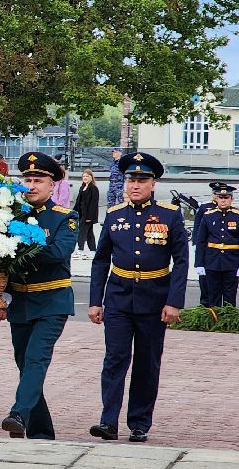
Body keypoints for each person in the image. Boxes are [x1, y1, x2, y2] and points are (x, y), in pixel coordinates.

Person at [88, 151, 188, 443]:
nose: (135, 185)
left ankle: (139, 422)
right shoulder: (114, 214)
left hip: (154, 299)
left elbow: (181, 260)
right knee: (115, 359)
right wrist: (96, 300)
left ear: (153, 183)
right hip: (119, 297)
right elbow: (100, 259)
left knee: (147, 362)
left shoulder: (170, 215)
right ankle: (108, 421)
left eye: (142, 180)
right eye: (132, 179)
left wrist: (174, 301)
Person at [1, 152, 78, 440]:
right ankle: (41, 430)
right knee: (24, 363)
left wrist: (18, 247)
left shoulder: (65, 217)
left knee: (36, 359)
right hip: (19, 302)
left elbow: (58, 253)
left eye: (38, 180)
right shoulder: (9, 216)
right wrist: (2, 296)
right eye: (27, 179)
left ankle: (19, 412)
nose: (31, 185)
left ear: (52, 185)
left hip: (52, 301)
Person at [194, 181, 237, 308]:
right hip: (212, 261)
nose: (223, 200)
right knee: (213, 295)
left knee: (230, 295)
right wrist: (199, 264)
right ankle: (214, 321)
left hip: (232, 261)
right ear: (216, 198)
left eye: (226, 197)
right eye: (220, 197)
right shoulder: (208, 216)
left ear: (231, 199)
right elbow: (201, 241)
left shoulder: (237, 216)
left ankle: (228, 322)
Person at [75, 169, 100, 259]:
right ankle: (93, 251)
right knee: (89, 234)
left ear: (91, 177)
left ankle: (80, 249)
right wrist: (74, 212)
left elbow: (93, 204)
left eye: (87, 176)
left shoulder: (93, 188)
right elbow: (78, 201)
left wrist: (89, 217)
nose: (85, 178)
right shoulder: (82, 187)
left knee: (82, 232)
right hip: (81, 213)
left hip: (88, 216)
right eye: (84, 176)